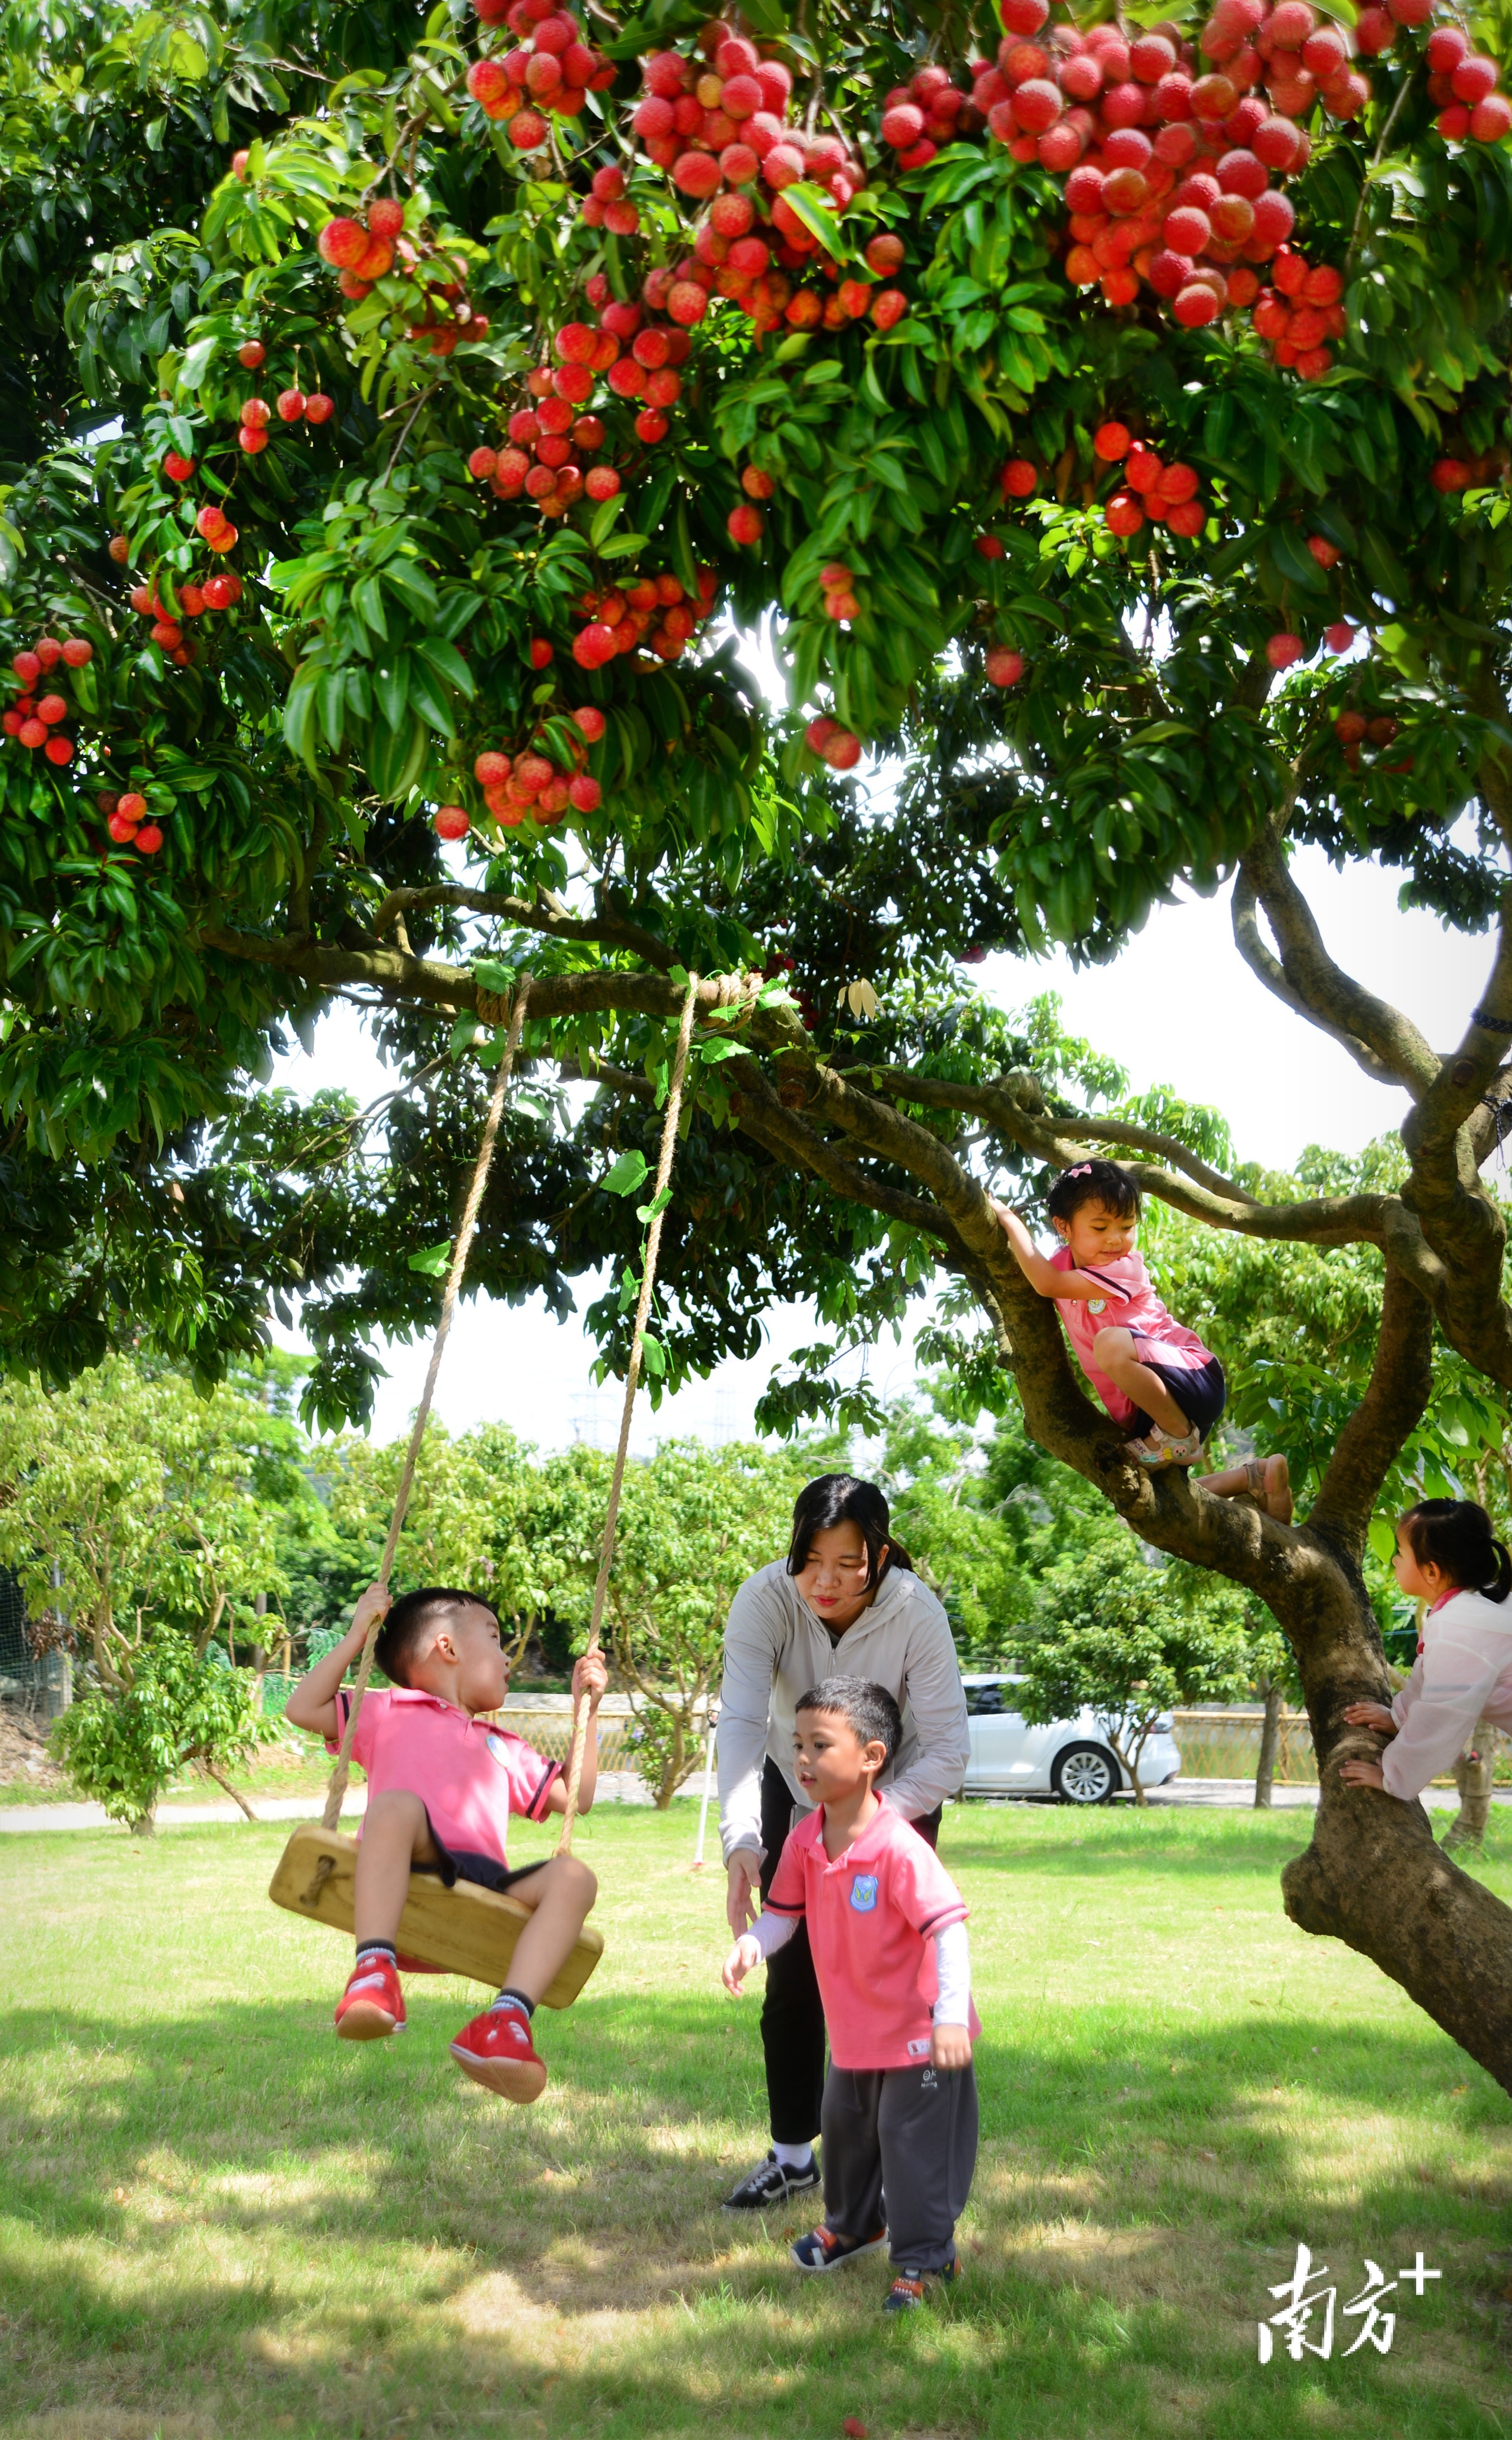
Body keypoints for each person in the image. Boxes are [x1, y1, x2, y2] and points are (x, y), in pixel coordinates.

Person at [717, 1473, 970, 2210]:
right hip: (792, 1782)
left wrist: (869, 1820)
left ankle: (891, 2167)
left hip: (898, 1791)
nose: (824, 1582)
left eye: (847, 1564)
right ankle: (793, 2157)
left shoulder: (915, 1611)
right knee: (793, 1976)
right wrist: (743, 1841)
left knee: (886, 1985)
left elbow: (948, 1750)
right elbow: (742, 1723)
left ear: (880, 1556)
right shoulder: (765, 1599)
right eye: (810, 1560)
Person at [286, 1581, 606, 2103]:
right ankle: (374, 1972)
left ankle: (506, 2022)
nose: (507, 1657)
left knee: (575, 1877)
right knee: (395, 1805)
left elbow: (578, 1797)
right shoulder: (385, 1710)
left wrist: (586, 1712)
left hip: (484, 1883)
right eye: (495, 1638)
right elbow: (303, 1707)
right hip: (409, 1865)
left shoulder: (504, 1746)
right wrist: (357, 1634)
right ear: (447, 1647)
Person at [723, 1676, 978, 2312]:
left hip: (919, 2034)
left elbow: (948, 1930)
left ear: (871, 1757)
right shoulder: (805, 1838)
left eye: (820, 1745)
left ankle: (927, 2258)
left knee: (910, 2144)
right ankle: (854, 2225)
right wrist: (754, 1943)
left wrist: (949, 2018)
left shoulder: (898, 1845)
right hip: (856, 2033)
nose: (803, 1759)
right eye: (797, 1745)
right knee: (845, 2131)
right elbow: (783, 1915)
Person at [992, 1156, 1292, 1516]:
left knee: (1109, 1344)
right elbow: (1036, 1273)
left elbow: (1046, 1283)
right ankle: (1255, 1477)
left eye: (1127, 1226)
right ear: (1064, 1227)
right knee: (1159, 1498)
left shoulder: (1125, 1267)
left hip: (1192, 1377)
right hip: (1147, 1410)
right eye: (1100, 1227)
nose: (1116, 1239)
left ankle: (1178, 1435)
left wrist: (1008, 1218)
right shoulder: (1060, 1265)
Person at [1341, 1499, 1512, 1800]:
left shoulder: (1458, 1627)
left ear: (1432, 1571)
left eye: (1401, 1553)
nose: (1395, 1561)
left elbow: (1440, 1718)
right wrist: (1398, 1717)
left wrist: (1394, 1776)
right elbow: (1429, 1679)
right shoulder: (1475, 1604)